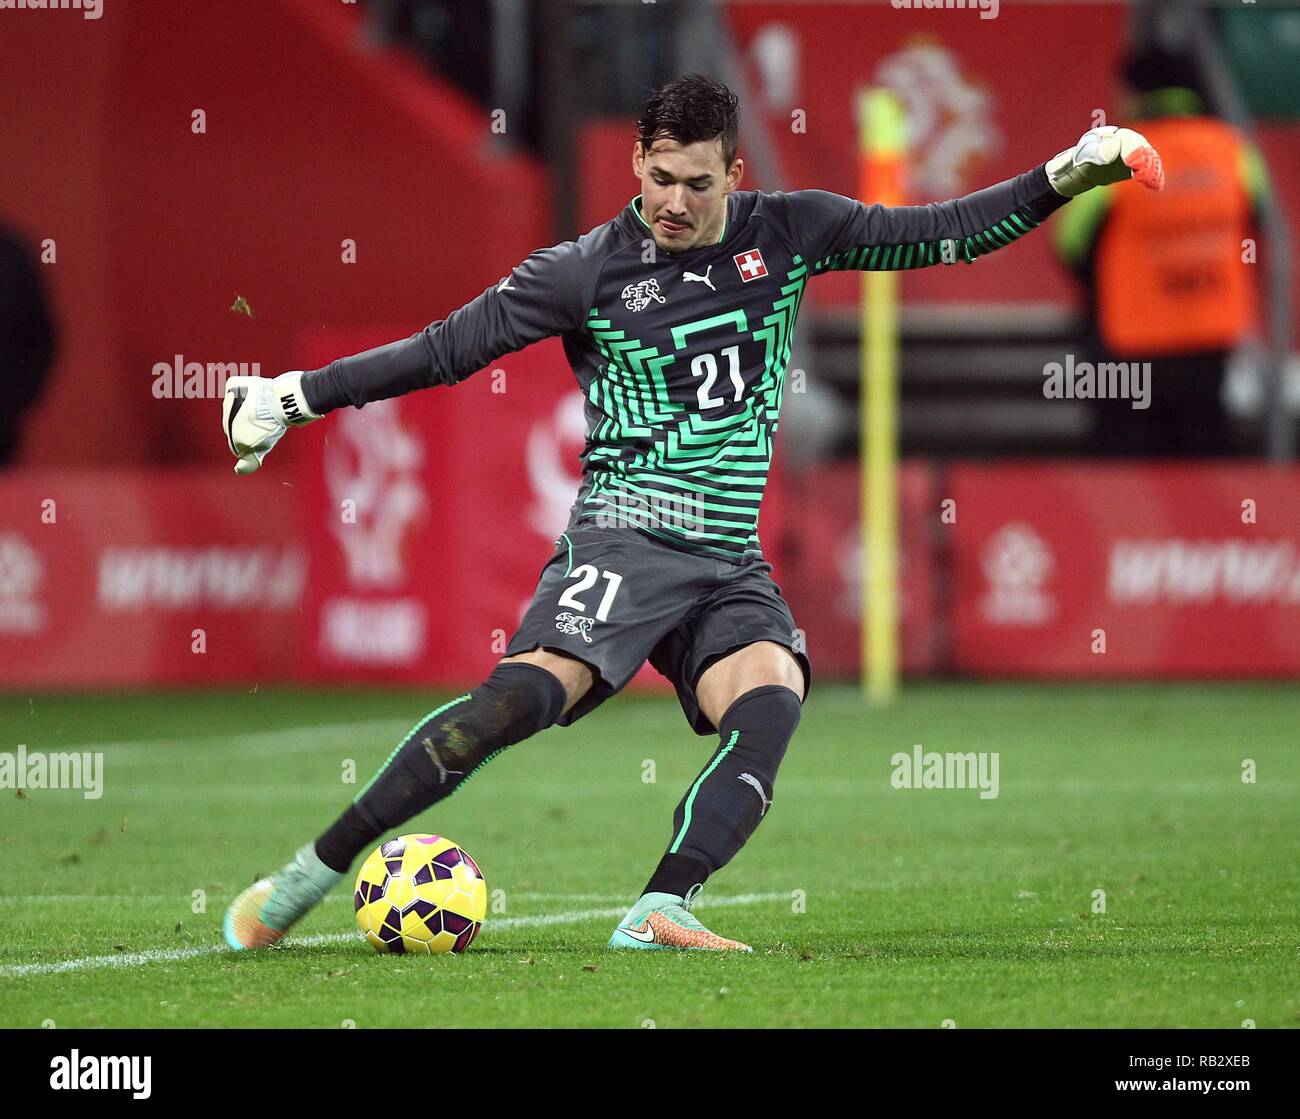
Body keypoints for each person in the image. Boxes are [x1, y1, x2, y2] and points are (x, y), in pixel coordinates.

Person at [222, 74, 1162, 953]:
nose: (674, 201)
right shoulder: (583, 272)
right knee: (518, 702)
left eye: (696, 183)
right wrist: (295, 397)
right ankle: (309, 876)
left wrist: (1064, 175)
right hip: (625, 535)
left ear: (734, 175)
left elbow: (944, 230)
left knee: (770, 695)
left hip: (725, 557)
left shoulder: (792, 231)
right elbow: (443, 351)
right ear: (637, 163)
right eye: (660, 177)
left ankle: (659, 906)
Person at [1052, 43, 1268, 456]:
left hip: (1128, 340)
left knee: (1129, 472)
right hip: (1210, 335)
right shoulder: (1234, 150)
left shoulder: (1112, 155)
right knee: (1206, 463)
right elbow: (1255, 223)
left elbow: (1070, 244)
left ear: (1132, 92)